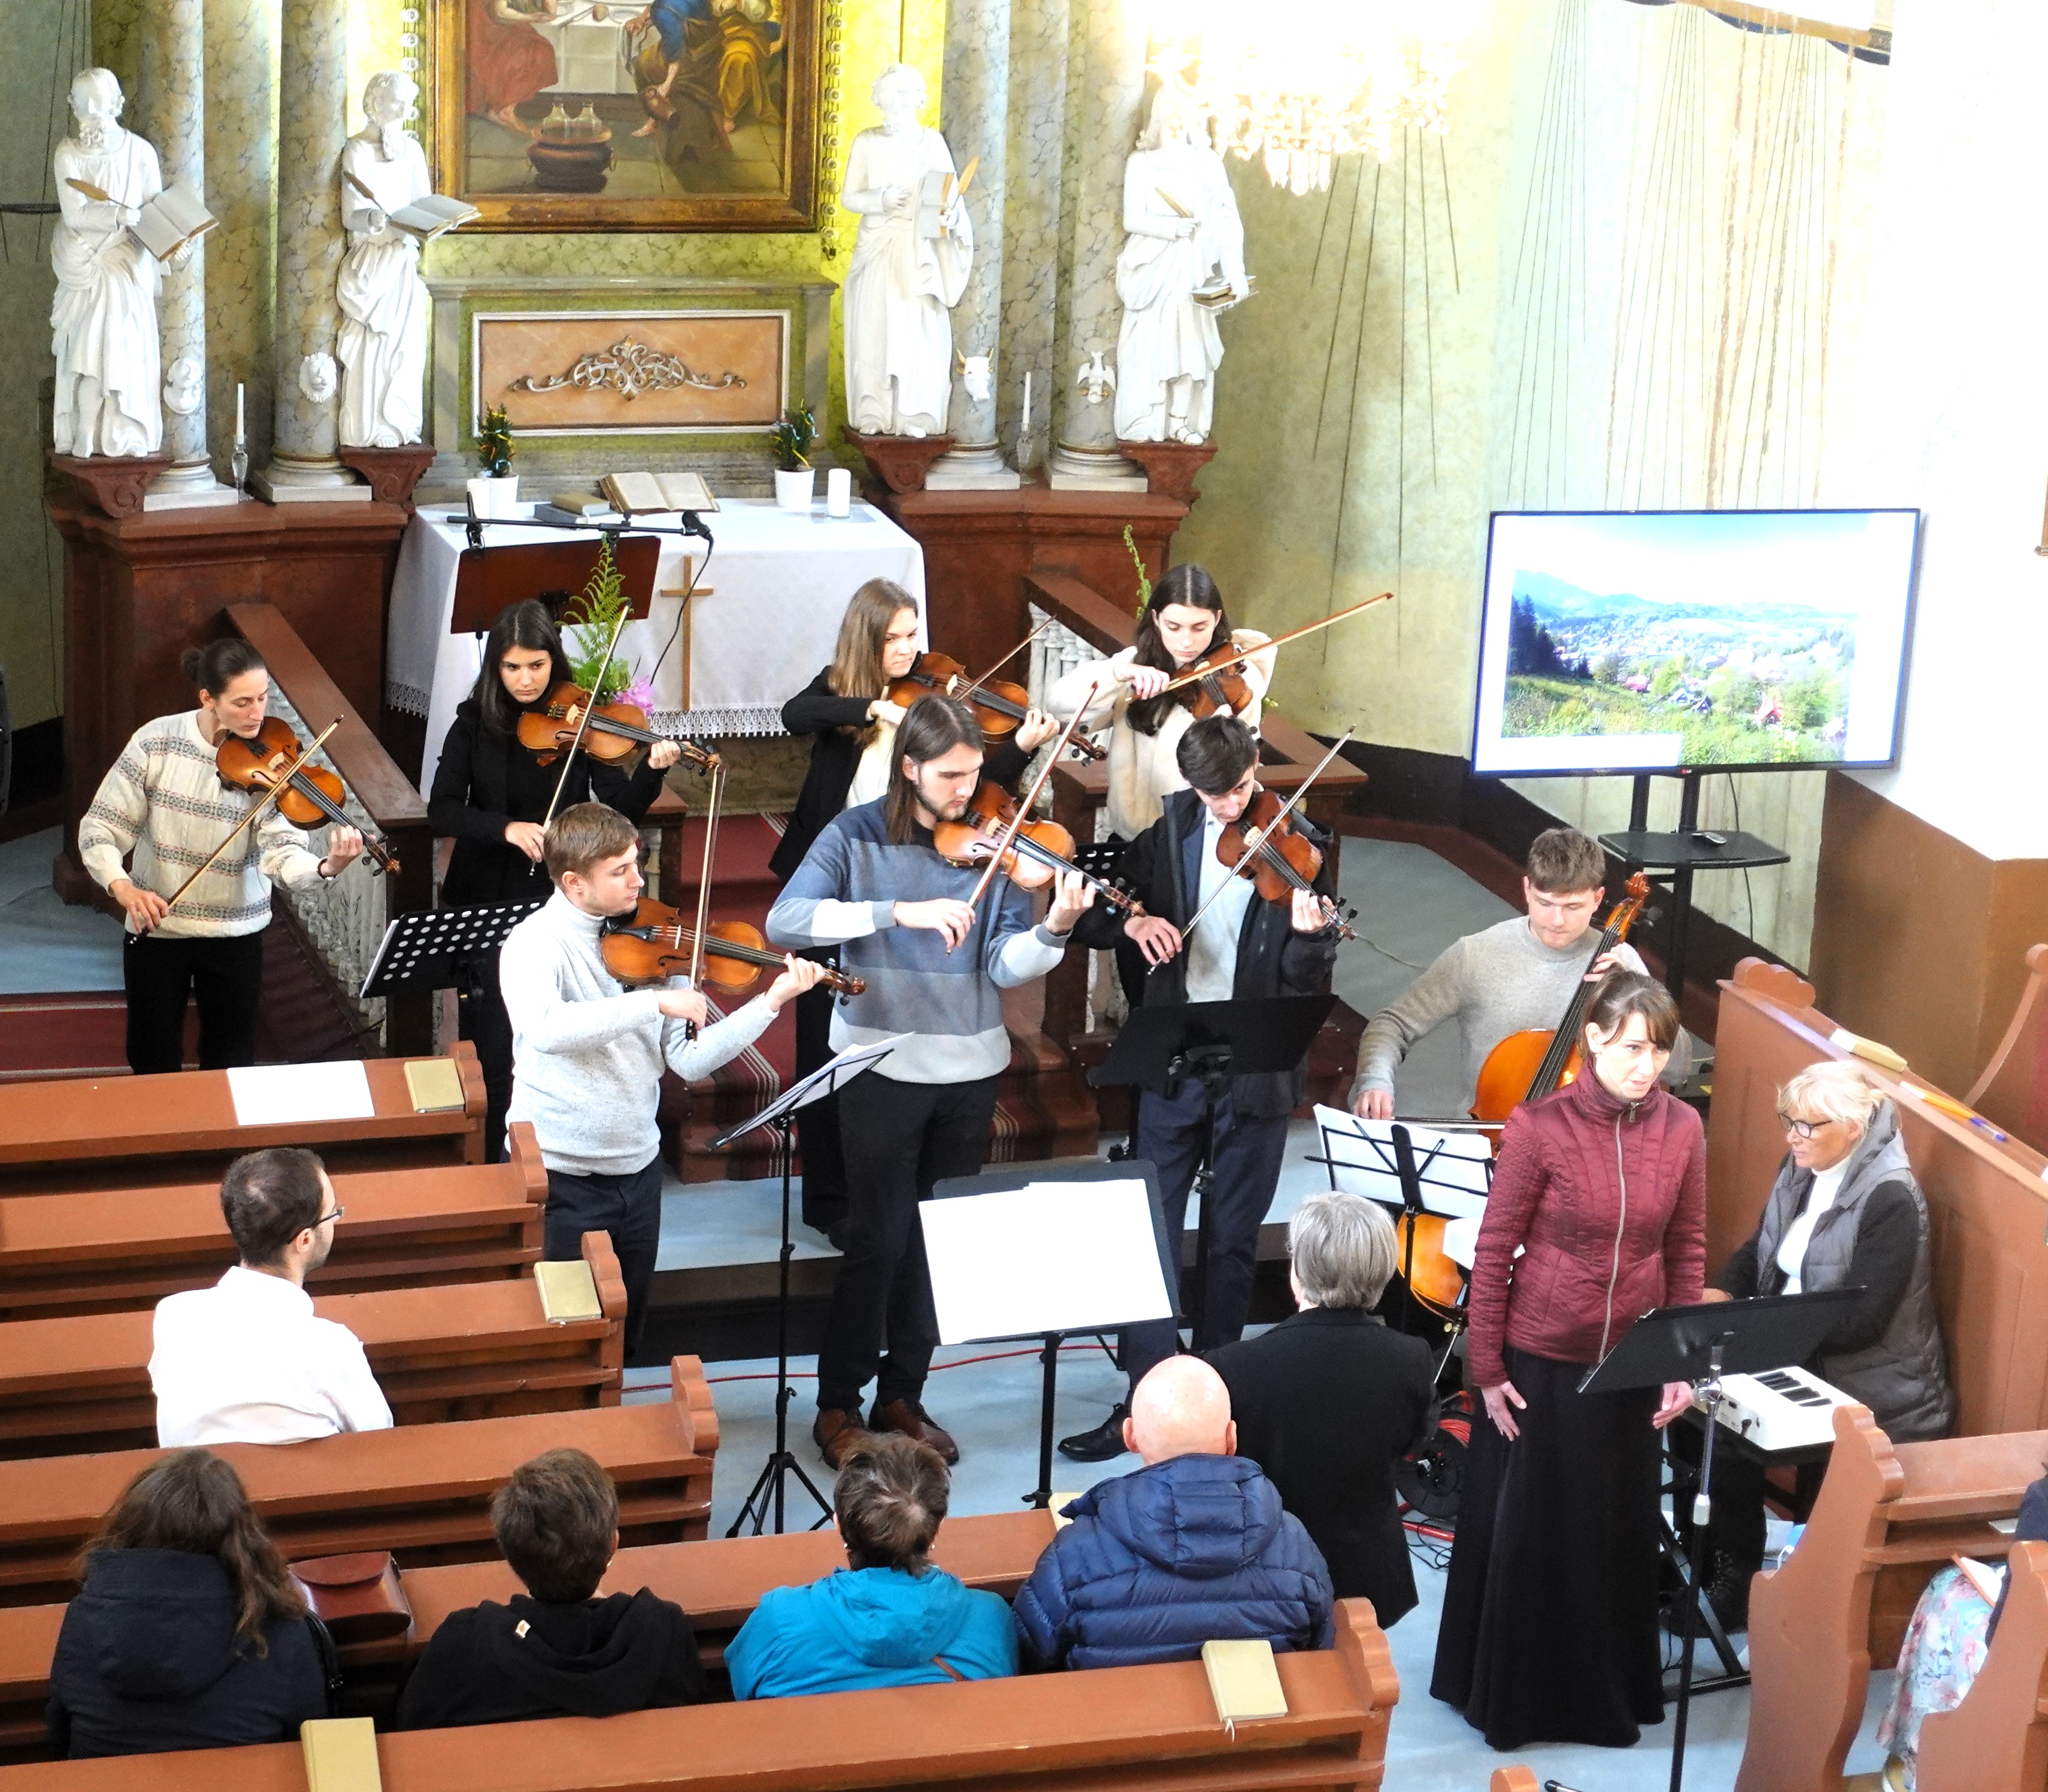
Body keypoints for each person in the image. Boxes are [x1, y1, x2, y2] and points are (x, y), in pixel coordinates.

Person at [766, 695, 1092, 1469]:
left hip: (968, 1070)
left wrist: (1053, 928)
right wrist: (896, 911)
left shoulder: (997, 845)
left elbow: (1004, 964)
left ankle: (902, 1393)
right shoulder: (855, 834)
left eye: (974, 773)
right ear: (909, 767)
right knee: (877, 1239)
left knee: (936, 1246)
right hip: (879, 1066)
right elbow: (785, 921)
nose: (967, 791)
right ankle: (838, 1403)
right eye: (950, 776)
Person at [1431, 969, 1705, 1751]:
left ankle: (1602, 1693)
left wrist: (1679, 1360)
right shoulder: (1539, 1126)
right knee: (1533, 1533)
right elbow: (1493, 1252)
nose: (1646, 1066)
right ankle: (1512, 1699)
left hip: (1630, 1361)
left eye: (1658, 1051)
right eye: (1630, 1048)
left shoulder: (1684, 1127)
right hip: (1542, 1359)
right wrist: (1487, 1371)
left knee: (1611, 1532)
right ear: (1592, 1040)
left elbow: (1687, 1247)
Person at [1057, 714, 1340, 1462]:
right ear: (1190, 784)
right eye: (1215, 795)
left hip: (1256, 1068)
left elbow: (1303, 980)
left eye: (1240, 789)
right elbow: (1102, 910)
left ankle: (1216, 1399)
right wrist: (1135, 922)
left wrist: (1310, 938)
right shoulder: (1172, 828)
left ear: (1257, 764)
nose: (1230, 806)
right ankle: (1148, 1400)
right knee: (1149, 1232)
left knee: (1232, 1242)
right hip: (1176, 1058)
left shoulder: (1301, 846)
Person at [772, 579, 1056, 1237]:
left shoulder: (933, 706)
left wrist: (1020, 749)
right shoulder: (844, 691)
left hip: (904, 872)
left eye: (911, 635)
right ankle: (830, 1200)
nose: (906, 649)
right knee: (824, 1048)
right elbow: (794, 713)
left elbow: (969, 792)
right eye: (892, 638)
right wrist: (877, 707)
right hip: (840, 871)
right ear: (865, 639)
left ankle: (877, 1203)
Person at [501, 802, 825, 1359]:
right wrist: (651, 1003)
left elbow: (689, 1061)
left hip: (636, 1169)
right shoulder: (534, 944)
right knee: (559, 1342)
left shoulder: (659, 939)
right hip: (558, 1174)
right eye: (620, 871)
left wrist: (769, 1003)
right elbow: (548, 1029)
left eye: (637, 862)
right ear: (574, 883)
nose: (638, 880)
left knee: (626, 1335)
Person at [1687, 1060, 1955, 1630]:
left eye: (1808, 1125)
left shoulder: (1892, 1198)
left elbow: (1862, 1322)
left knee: (1725, 1424)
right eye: (1789, 1121)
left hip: (1869, 1380)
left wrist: (1758, 1337)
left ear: (1854, 1127)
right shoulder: (1801, 1166)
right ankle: (1705, 1560)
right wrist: (1721, 1293)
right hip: (1796, 1346)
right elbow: (1761, 1248)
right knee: (1689, 1400)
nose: (1793, 1136)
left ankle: (1738, 1585)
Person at [430, 599, 685, 1162]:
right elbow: (442, 809)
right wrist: (505, 828)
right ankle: (494, 1164)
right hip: (486, 895)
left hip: (555, 902)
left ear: (554, 663)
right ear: (496, 667)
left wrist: (651, 771)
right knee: (493, 1041)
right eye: (513, 667)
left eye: (537, 666)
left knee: (555, 1030)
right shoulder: (472, 724)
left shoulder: (581, 720)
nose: (525, 680)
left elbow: (620, 812)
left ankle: (554, 1154)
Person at [79, 638, 366, 1077]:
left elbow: (283, 852)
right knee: (151, 1054)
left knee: (231, 1061)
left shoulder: (274, 760)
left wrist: (326, 867)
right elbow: (100, 827)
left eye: (263, 698)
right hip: (158, 925)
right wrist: (124, 888)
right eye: (242, 702)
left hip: (235, 931)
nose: (257, 714)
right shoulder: (156, 742)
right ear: (208, 699)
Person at [1044, 565, 1274, 1005]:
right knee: (1139, 973)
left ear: (1217, 619)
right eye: (1174, 626)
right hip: (1138, 847)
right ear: (1155, 619)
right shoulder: (1133, 667)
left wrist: (1223, 733)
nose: (1187, 641)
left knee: (1193, 972)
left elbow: (1235, 767)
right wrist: (1120, 674)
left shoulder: (1234, 678)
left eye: (1200, 627)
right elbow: (1058, 705)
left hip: (1194, 847)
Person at [1013, 1357, 1335, 1671]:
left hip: (1120, 1708)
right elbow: (1321, 1649)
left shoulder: (1076, 1551)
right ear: (1232, 1437)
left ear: (1130, 1437)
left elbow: (1031, 1656)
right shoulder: (1295, 1543)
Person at [1205, 1193, 1437, 1626]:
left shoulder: (1233, 1365)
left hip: (1267, 1574)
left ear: (1297, 1271)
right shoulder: (1412, 1357)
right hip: (1369, 1574)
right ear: (1383, 1270)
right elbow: (1412, 1442)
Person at [1349, 824, 1660, 1121]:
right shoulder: (1475, 955)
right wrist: (1376, 1081)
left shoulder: (1620, 963)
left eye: (1573, 907)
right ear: (1527, 889)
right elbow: (1393, 1024)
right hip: (1489, 1135)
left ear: (1598, 899)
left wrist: (1632, 996)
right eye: (1545, 903)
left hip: (1589, 1143)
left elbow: (1676, 1064)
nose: (1557, 920)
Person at [395, 1448, 705, 1729]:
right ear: (613, 1545)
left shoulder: (463, 1642)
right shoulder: (664, 1630)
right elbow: (698, 1724)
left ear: (511, 1557)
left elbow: (410, 1732)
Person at [46, 1448, 327, 1758]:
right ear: (243, 1539)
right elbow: (311, 1746)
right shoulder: (280, 1628)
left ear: (130, 1528)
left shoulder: (84, 1616)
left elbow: (60, 1735)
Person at [726, 1434, 1016, 1698]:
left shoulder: (778, 1619)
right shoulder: (991, 1616)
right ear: (935, 1529)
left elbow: (739, 1694)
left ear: (838, 1524)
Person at [149, 1147, 393, 1448]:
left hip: (194, 1478)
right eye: (333, 1213)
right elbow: (377, 1439)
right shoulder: (331, 1347)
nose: (336, 1220)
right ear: (304, 1240)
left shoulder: (174, 1315)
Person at [1876, 1475, 2048, 1791]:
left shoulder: (2044, 1497)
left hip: (2036, 1678)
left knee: (1950, 1591)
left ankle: (1920, 1765)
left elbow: (2004, 1631)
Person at [840, 63, 971, 438]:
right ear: (878, 98)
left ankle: (917, 413)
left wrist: (950, 215)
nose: (898, 102)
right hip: (879, 249)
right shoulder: (867, 142)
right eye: (891, 93)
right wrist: (880, 199)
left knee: (916, 333)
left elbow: (950, 197)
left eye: (905, 93)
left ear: (918, 98)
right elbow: (850, 197)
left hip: (919, 253)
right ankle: (873, 410)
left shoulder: (932, 143)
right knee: (875, 330)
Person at [1114, 83, 1250, 444]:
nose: (1178, 117)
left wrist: (1235, 271)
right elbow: (1131, 218)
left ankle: (1179, 422)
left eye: (1184, 110)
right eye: (1171, 108)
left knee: (1190, 347)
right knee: (1153, 345)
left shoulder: (1207, 163)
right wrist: (1172, 228)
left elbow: (1225, 221)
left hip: (1192, 268)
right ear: (1158, 114)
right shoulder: (1140, 162)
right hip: (1152, 267)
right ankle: (1147, 417)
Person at [50, 68, 174, 460]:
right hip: (86, 264)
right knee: (88, 349)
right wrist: (117, 215)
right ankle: (85, 430)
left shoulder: (140, 153)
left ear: (116, 104)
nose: (89, 114)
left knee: (118, 348)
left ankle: (121, 427)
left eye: (97, 105)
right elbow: (75, 214)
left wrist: (173, 245)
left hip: (126, 264)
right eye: (81, 105)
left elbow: (156, 215)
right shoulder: (68, 154)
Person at [338, 71, 433, 450]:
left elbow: (423, 203)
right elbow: (351, 214)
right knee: (374, 344)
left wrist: (429, 223)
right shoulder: (356, 150)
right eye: (398, 102)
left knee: (406, 346)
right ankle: (368, 425)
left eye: (409, 103)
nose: (405, 110)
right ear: (376, 103)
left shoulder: (412, 151)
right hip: (372, 263)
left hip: (402, 261)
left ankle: (399, 422)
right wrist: (372, 219)